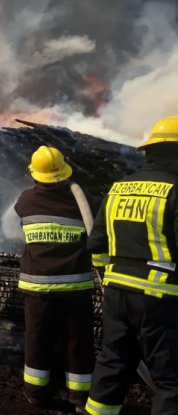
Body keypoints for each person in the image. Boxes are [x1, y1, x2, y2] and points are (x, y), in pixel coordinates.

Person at [85, 116, 178, 415]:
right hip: (160, 299)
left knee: (113, 363)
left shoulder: (119, 188)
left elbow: (97, 244)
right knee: (171, 379)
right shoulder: (176, 190)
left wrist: (105, 276)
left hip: (116, 293)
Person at [14, 146, 95, 412]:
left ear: (35, 174)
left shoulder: (25, 200)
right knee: (78, 340)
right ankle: (79, 397)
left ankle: (36, 392)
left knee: (37, 338)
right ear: (62, 173)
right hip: (76, 285)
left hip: (38, 285)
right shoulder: (79, 199)